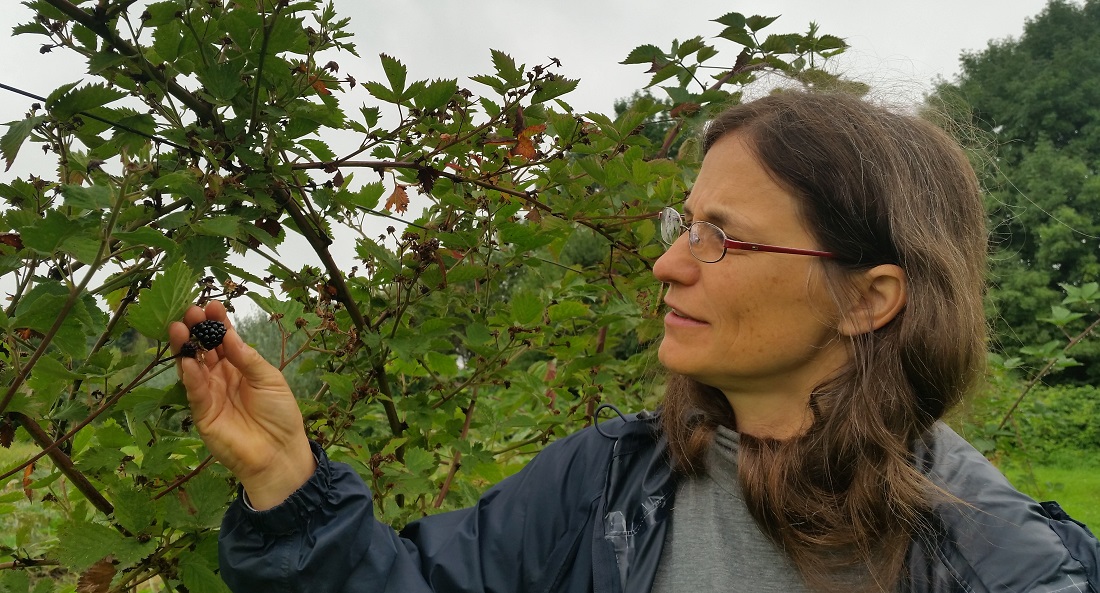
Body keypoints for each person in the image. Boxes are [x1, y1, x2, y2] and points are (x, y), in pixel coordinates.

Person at [171, 91, 1100, 593]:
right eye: (680, 221)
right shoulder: (607, 483)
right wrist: (285, 479)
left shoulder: (995, 562)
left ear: (868, 298)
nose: (665, 264)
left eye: (719, 235)